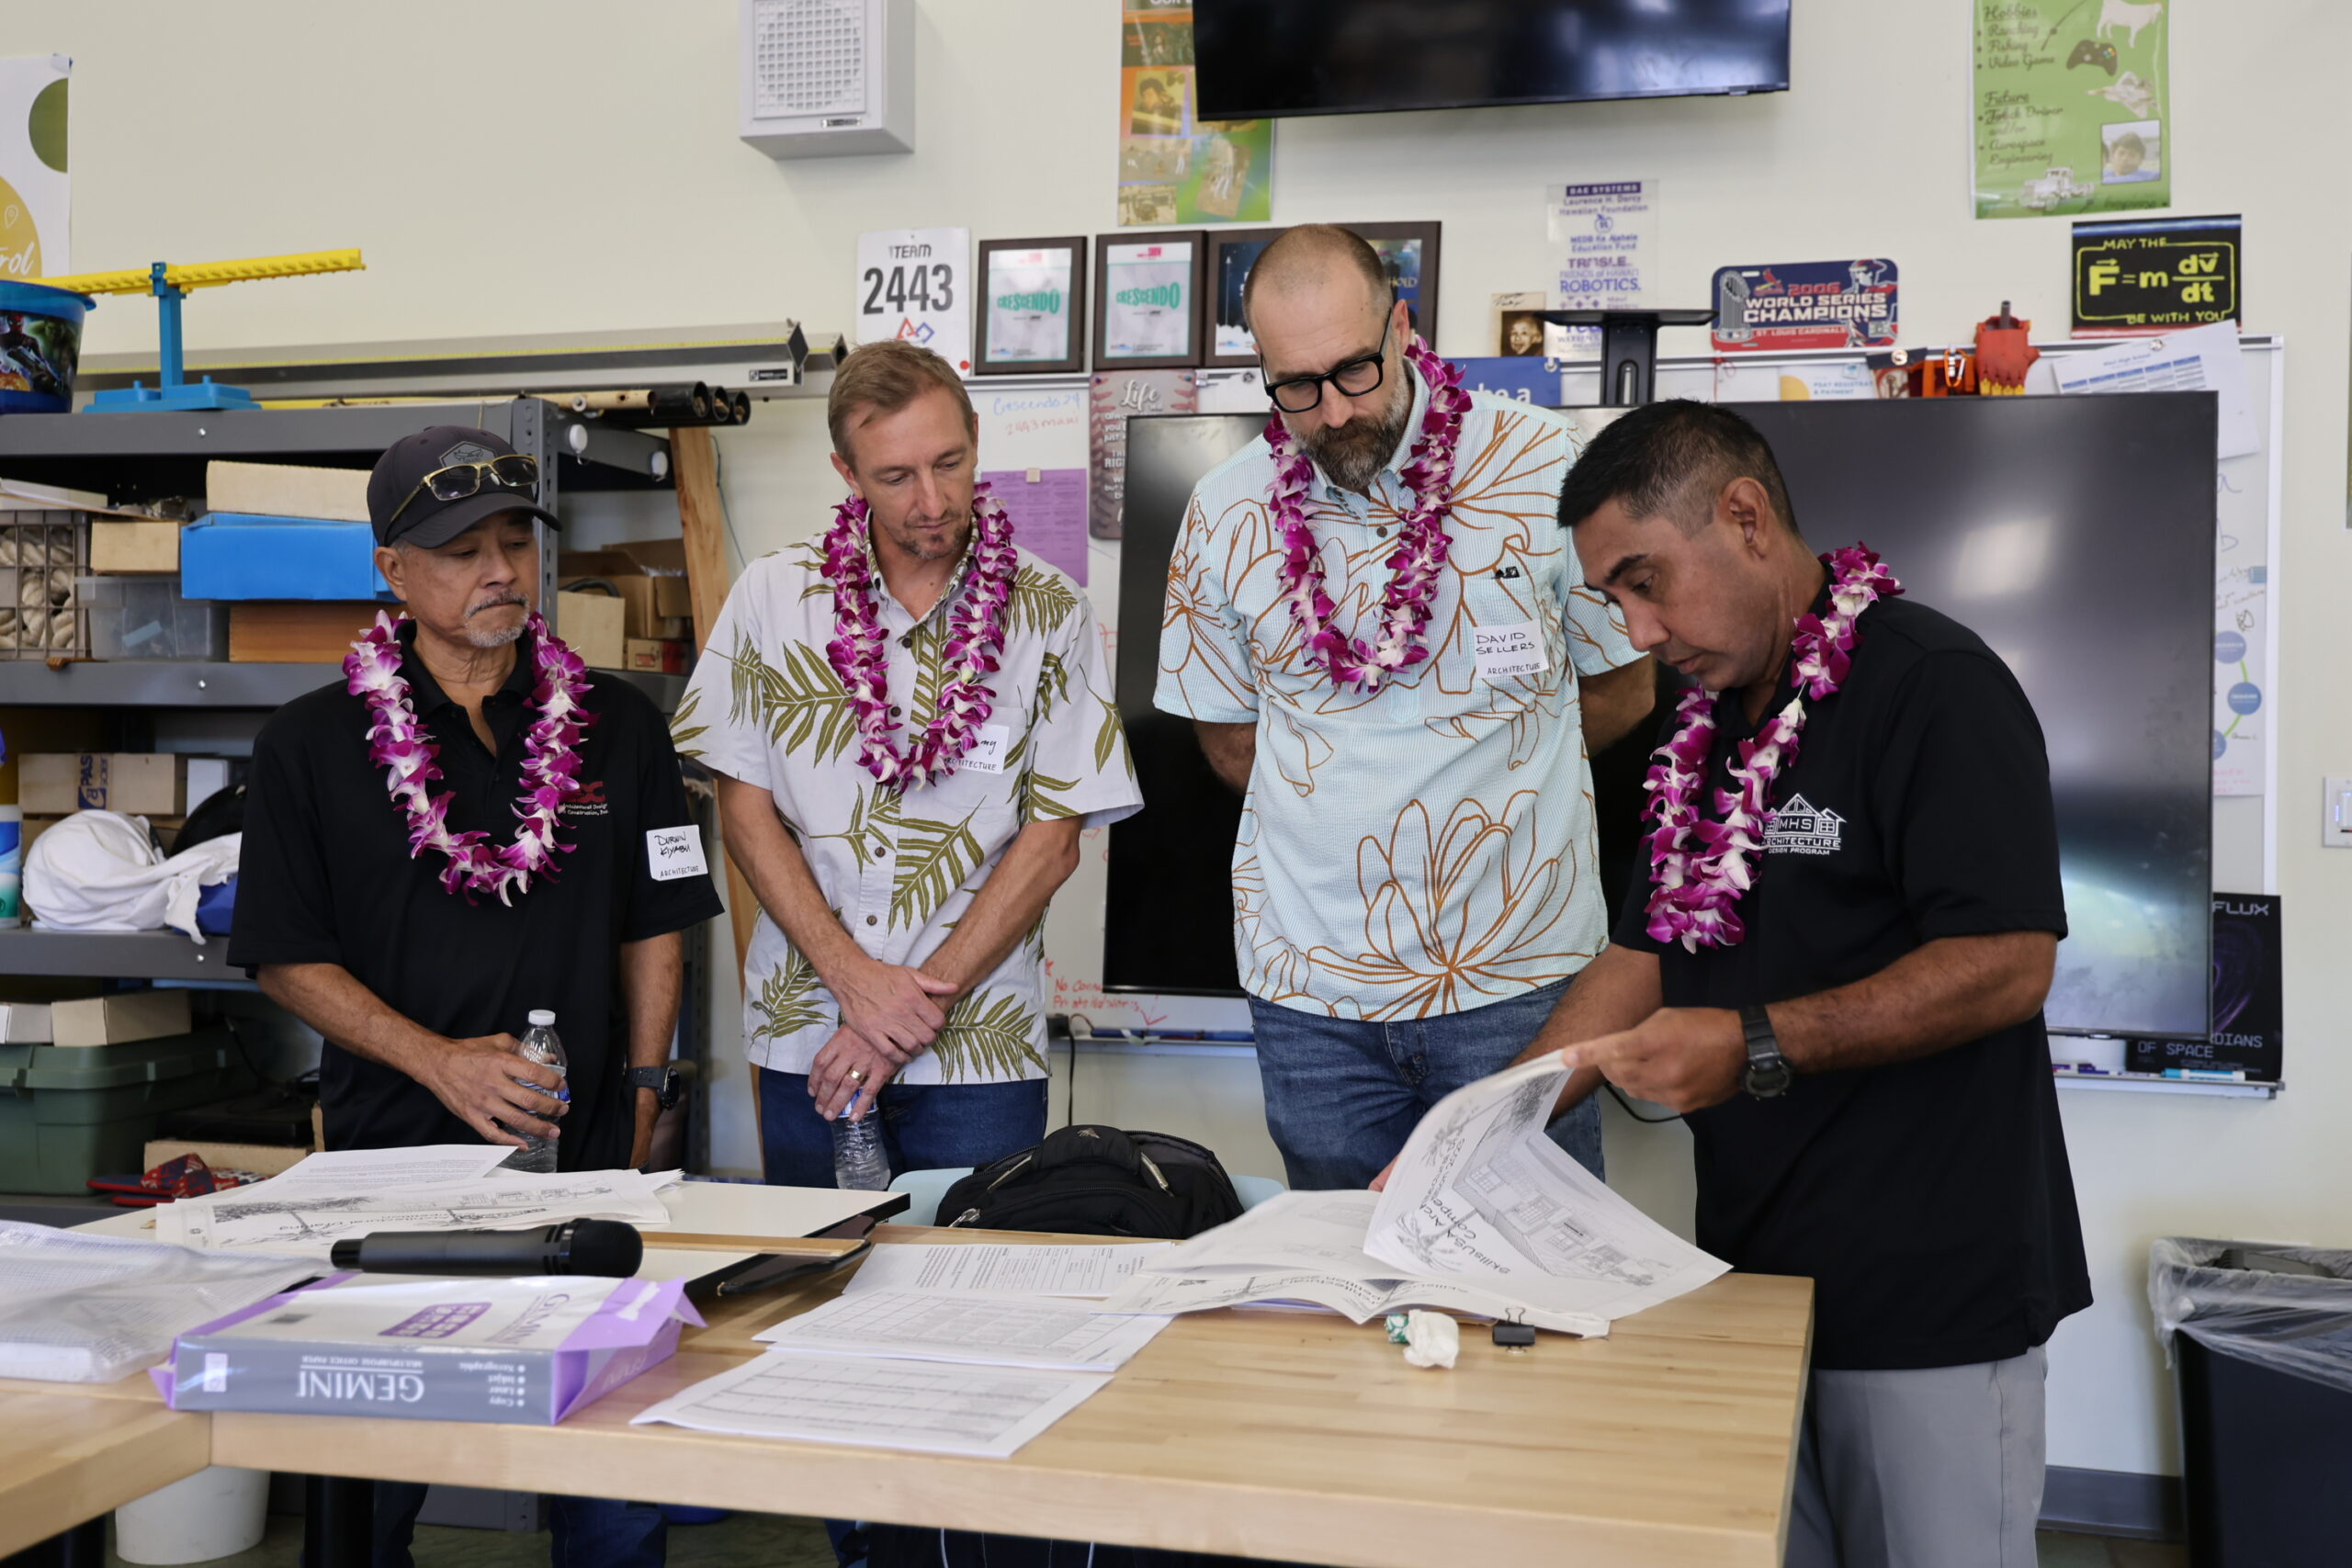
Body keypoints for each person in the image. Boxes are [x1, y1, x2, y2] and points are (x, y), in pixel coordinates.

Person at [1452, 400, 2090, 1567]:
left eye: (1647, 581)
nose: (1637, 629)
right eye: (1613, 601)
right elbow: (1641, 955)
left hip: (1930, 1292)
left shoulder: (1931, 684)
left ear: (1744, 517)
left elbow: (2008, 962)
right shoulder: (1694, 732)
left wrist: (1751, 1041)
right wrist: (1489, 1126)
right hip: (1750, 1284)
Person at [232, 424, 722, 1568]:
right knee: (371, 1493)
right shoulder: (310, 745)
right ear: (393, 572)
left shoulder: (622, 725)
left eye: (515, 541)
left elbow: (660, 928)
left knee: (608, 1483)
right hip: (392, 1170)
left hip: (591, 1156)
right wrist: (440, 1060)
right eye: (461, 550)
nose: (500, 569)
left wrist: (647, 1094)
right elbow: (284, 956)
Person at [1155, 223, 1656, 1190]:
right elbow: (1223, 737)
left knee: (1530, 1283)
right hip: (1309, 998)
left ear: (1403, 325)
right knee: (1347, 1296)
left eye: (1354, 370)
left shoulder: (1547, 470)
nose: (1335, 413)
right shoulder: (1224, 511)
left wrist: (1491, 765)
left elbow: (1624, 685)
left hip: (1520, 977)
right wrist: (1346, 799)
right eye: (1295, 386)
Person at [676, 339, 1141, 1190]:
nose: (933, 501)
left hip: (981, 1052)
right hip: (807, 1031)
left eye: (950, 462)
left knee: (971, 1297)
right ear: (845, 470)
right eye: (895, 477)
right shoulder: (773, 597)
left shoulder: (1051, 610)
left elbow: (1054, 840)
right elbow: (743, 811)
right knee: (812, 1291)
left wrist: (902, 1013)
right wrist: (856, 983)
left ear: (973, 436)